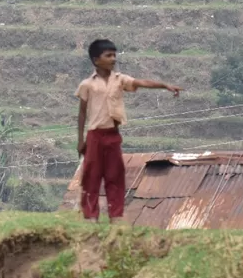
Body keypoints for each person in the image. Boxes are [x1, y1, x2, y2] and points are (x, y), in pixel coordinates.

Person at [76, 38, 183, 221]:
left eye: (114, 55)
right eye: (108, 55)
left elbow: (141, 82)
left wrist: (164, 85)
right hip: (94, 135)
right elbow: (82, 113)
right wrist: (80, 140)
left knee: (115, 176)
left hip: (113, 134)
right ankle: (90, 216)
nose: (113, 59)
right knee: (91, 176)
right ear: (96, 60)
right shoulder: (87, 85)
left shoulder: (120, 80)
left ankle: (115, 216)